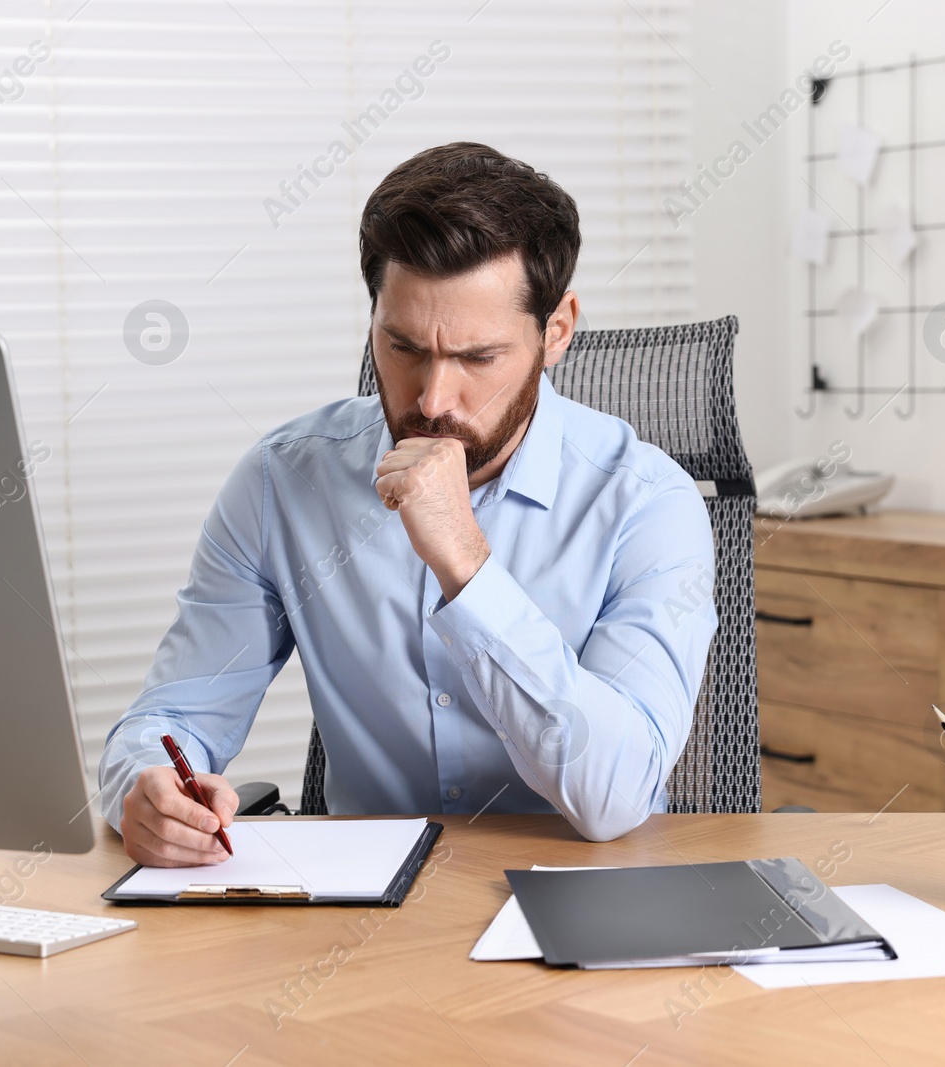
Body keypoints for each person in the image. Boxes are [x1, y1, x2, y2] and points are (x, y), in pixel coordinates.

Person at [99, 142, 716, 866]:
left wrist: (466, 565)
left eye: (477, 358)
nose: (431, 399)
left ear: (557, 331)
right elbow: (175, 716)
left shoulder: (651, 503)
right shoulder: (283, 483)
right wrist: (143, 788)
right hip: (365, 911)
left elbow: (615, 799)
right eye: (402, 347)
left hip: (586, 899)